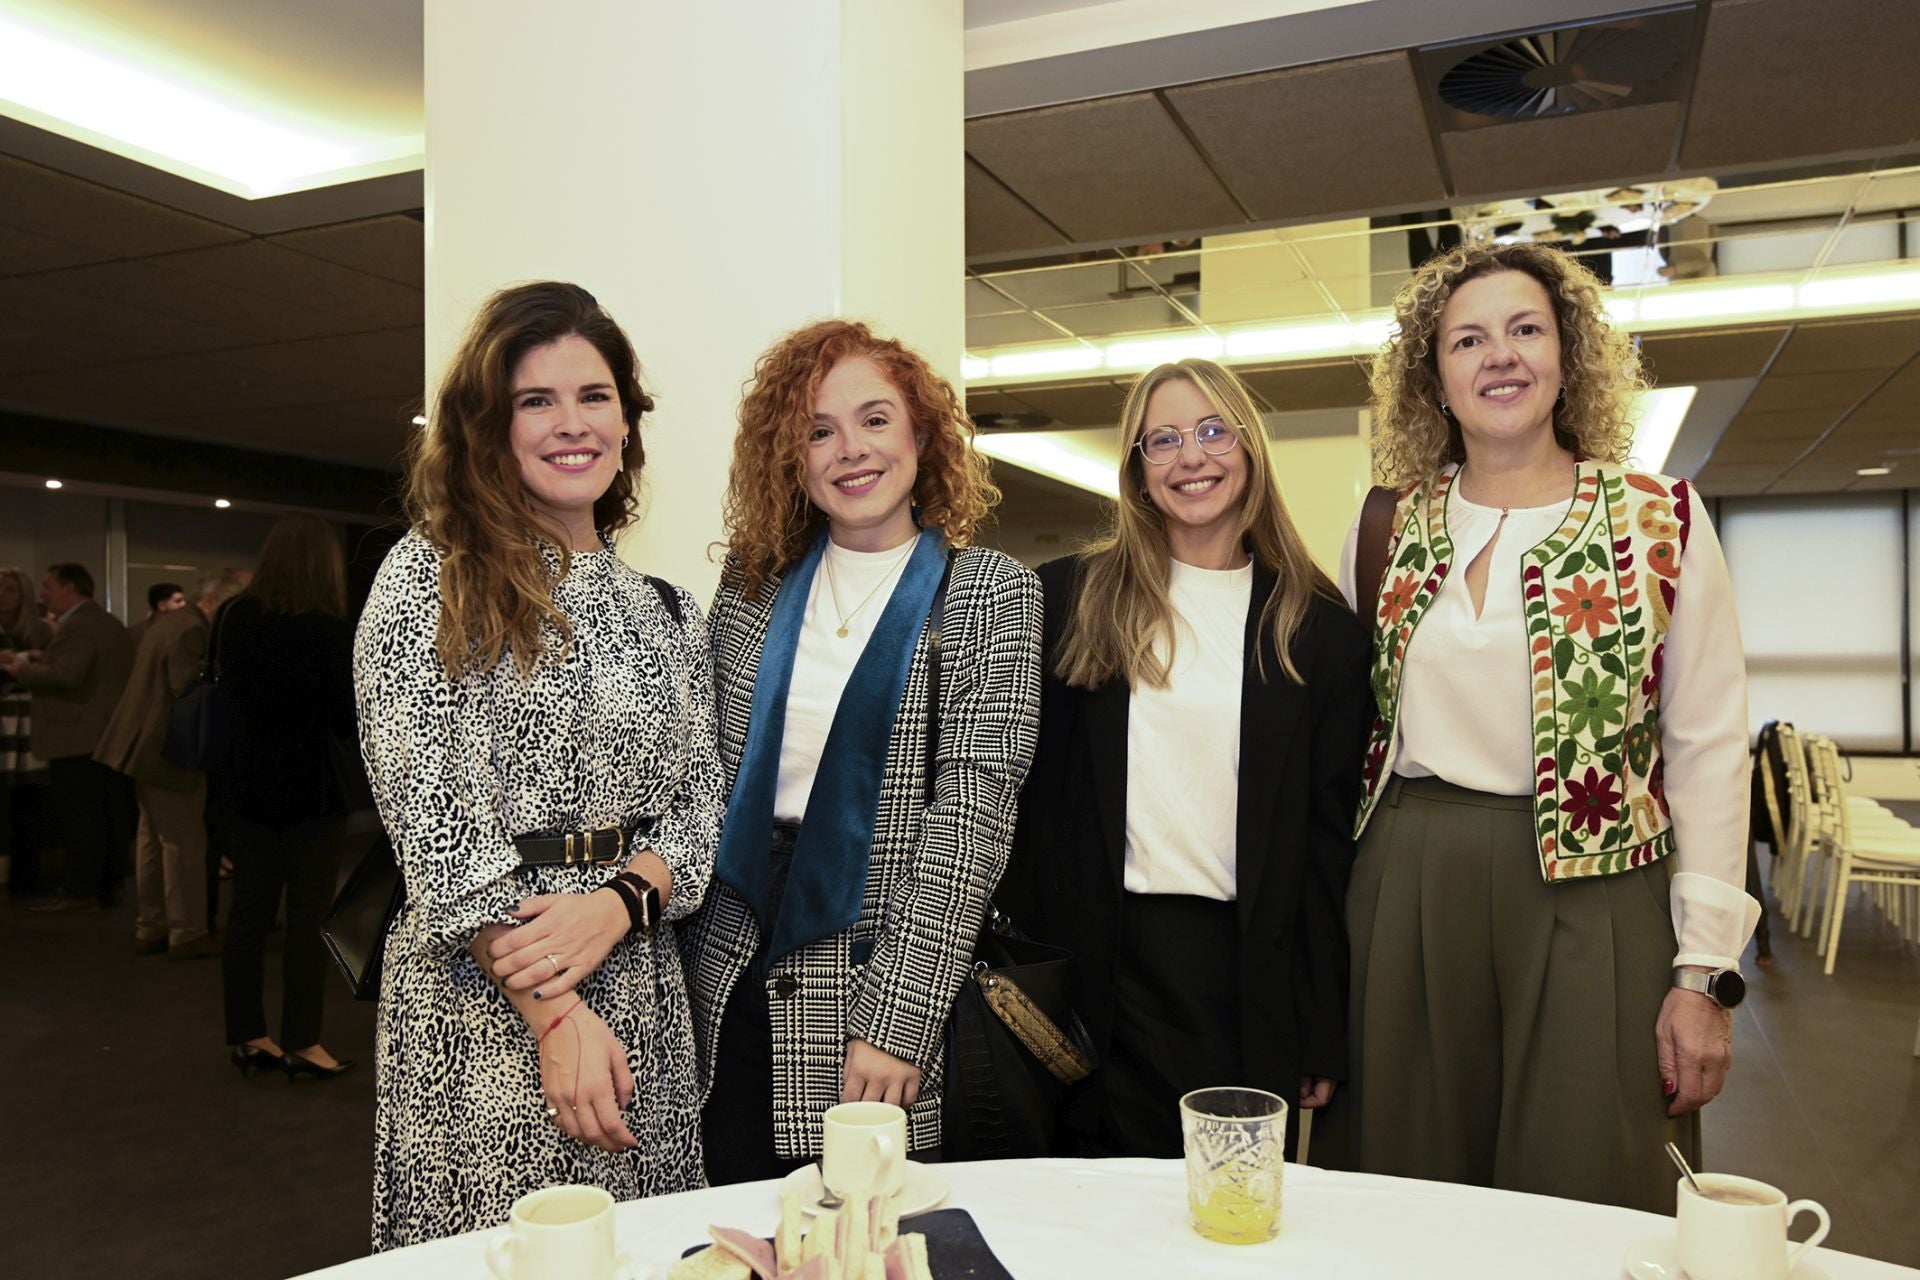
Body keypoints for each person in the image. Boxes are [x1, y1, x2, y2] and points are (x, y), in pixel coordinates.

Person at [1320, 242, 1756, 1213]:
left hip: (1598, 886)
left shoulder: (1662, 519)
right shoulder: (1385, 522)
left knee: (1589, 1170)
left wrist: (1705, 971)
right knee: (1409, 1178)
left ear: (1569, 357)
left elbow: (1711, 750)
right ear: (1434, 378)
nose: (1500, 356)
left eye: (1526, 330)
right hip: (1408, 874)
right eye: (1467, 339)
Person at [355, 282, 721, 1249]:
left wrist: (621, 905)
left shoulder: (668, 610)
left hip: (638, 975)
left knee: (648, 1250)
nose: (572, 425)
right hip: (486, 1003)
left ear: (628, 421)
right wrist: (554, 1014)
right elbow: (435, 828)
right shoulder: (430, 576)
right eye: (536, 400)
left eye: (595, 397)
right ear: (490, 425)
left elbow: (698, 807)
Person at [683, 319, 1042, 1182]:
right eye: (819, 430)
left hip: (877, 969)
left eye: (875, 420)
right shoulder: (751, 589)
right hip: (732, 966)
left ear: (921, 433)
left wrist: (899, 1016)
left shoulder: (987, 589)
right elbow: (705, 777)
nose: (851, 449)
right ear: (793, 458)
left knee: (858, 1239)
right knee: (734, 1227)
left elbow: (973, 818)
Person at [999, 359, 1370, 1159]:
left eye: (1211, 432)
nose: (1190, 458)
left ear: (1249, 449)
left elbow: (1323, 849)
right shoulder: (1067, 599)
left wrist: (1319, 1028)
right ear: (1136, 469)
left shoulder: (1317, 630)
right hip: (1094, 967)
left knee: (1226, 1212)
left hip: (1240, 977)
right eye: (1161, 440)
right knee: (1089, 1214)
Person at [218, 513, 358, 1080]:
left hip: (247, 787)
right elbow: (347, 722)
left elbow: (226, 705)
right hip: (311, 791)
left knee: (248, 916)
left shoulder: (235, 617)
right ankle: (303, 1040)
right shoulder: (328, 629)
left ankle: (249, 1035)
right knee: (307, 919)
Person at [95, 570, 245, 958]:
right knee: (183, 843)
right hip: (166, 751)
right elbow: (186, 691)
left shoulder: (169, 623)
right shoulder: (192, 631)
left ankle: (153, 925)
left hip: (139, 747)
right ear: (213, 601)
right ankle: (187, 931)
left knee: (152, 841)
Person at [1, 563, 134, 912]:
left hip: (77, 734)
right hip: (101, 731)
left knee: (81, 816)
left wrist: (21, 669)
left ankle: (81, 889)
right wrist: (41, 656)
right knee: (104, 813)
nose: (42, 594)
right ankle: (106, 884)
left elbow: (68, 675)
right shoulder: (101, 622)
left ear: (69, 588)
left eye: (48, 586)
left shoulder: (80, 625)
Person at [0, 566, 53, 896]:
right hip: (4, 721)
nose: (2, 596)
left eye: (9, 589)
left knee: (29, 804)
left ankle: (26, 877)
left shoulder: (40, 631)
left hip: (31, 722)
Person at [129, 581, 187, 649]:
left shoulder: (186, 630)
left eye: (183, 600)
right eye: (178, 601)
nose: (184, 604)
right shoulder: (138, 633)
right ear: (162, 605)